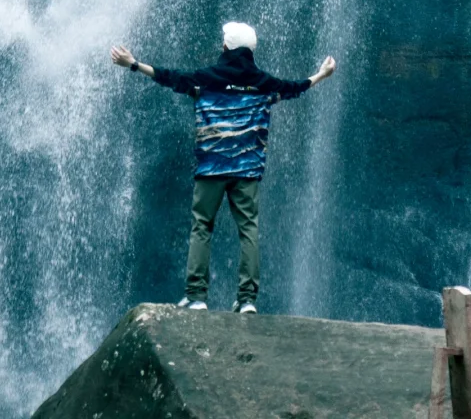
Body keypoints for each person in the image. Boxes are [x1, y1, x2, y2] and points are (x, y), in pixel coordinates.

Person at [111, 22, 336, 314]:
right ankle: (247, 301)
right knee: (249, 231)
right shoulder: (263, 83)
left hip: (211, 170)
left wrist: (134, 64)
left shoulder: (205, 78)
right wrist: (322, 74)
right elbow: (295, 88)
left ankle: (196, 296)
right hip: (247, 172)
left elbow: (170, 78)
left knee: (202, 226)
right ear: (251, 50)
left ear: (226, 47)